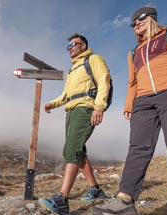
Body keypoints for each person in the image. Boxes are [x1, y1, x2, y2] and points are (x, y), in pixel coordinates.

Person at [92, 6, 167, 215]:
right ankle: (125, 200)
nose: (136, 24)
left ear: (152, 18)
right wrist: (129, 105)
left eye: (140, 19)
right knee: (138, 148)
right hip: (143, 101)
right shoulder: (134, 52)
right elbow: (132, 82)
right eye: (133, 23)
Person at [38, 33, 112, 215]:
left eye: (73, 44)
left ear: (83, 45)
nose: (70, 48)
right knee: (79, 151)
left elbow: (104, 81)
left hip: (85, 108)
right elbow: (66, 95)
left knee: (72, 149)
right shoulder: (73, 69)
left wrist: (99, 107)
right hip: (71, 111)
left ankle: (62, 199)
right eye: (68, 46)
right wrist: (52, 104)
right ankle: (95, 190)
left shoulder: (94, 59)